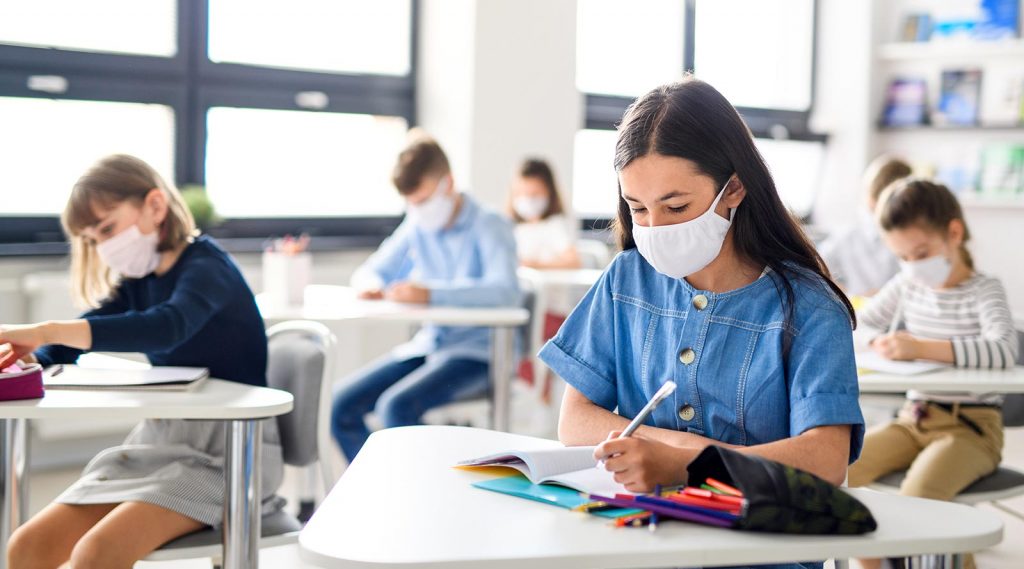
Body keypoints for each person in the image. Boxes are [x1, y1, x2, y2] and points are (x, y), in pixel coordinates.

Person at [538, 77, 865, 569]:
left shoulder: (808, 306)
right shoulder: (627, 278)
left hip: (763, 548)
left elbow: (826, 459)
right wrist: (679, 449)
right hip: (637, 536)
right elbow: (576, 420)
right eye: (637, 207)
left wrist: (691, 464)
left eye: (675, 207)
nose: (653, 228)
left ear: (733, 188)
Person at [0, 154, 282, 569]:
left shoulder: (207, 267)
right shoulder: (139, 281)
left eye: (108, 228)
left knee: (96, 553)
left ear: (154, 206)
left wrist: (45, 330)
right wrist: (24, 362)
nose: (105, 247)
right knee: (26, 547)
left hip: (230, 454)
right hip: (161, 443)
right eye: (94, 239)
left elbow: (166, 327)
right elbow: (77, 338)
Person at [847, 178, 1017, 569]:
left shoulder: (984, 290)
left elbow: (1003, 349)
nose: (912, 266)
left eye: (920, 253)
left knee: (918, 499)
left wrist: (922, 348)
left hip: (970, 429)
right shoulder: (908, 284)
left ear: (954, 234)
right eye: (902, 258)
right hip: (912, 421)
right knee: (840, 471)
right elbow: (858, 324)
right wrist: (880, 343)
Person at [331, 133, 520, 461]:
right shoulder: (417, 223)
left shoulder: (490, 225)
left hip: (478, 355)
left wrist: (431, 293)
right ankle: (382, 490)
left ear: (447, 184)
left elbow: (506, 291)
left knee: (395, 407)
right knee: (340, 406)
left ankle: (419, 499)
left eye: (422, 201)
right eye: (411, 204)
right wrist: (372, 284)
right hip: (430, 345)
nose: (417, 210)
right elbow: (371, 269)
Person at [818, 155, 912, 297]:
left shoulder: (910, 236)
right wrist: (845, 294)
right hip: (862, 309)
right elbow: (814, 266)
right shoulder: (848, 237)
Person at [507, 158, 581, 270]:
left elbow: (574, 262)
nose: (528, 200)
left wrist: (531, 265)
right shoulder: (513, 228)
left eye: (535, 194)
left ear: (549, 193)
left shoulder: (555, 225)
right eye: (522, 193)